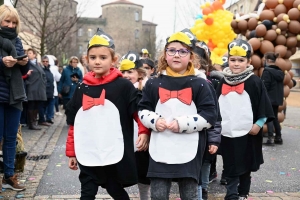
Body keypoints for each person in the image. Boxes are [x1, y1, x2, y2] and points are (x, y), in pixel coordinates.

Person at [65, 28, 149, 200]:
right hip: (88, 151)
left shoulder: (123, 86)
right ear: (86, 59)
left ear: (113, 60)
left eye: (103, 57)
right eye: (93, 57)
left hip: (113, 151)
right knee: (87, 193)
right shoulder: (82, 88)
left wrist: (143, 131)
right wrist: (72, 151)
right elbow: (75, 124)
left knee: (115, 190)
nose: (97, 61)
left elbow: (137, 111)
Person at [138, 31, 217, 200]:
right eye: (171, 50)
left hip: (189, 148)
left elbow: (210, 115)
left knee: (189, 194)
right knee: (158, 194)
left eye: (182, 51)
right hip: (160, 147)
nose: (176, 55)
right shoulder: (153, 83)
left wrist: (183, 124)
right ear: (165, 55)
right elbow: (143, 109)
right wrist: (153, 121)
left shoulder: (200, 84)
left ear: (191, 56)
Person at [215, 39, 274, 200]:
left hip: (248, 133)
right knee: (230, 164)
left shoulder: (254, 81)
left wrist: (259, 123)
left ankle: (243, 192)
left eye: (241, 60)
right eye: (232, 60)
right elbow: (216, 106)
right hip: (227, 132)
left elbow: (263, 104)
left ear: (248, 61)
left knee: (245, 164)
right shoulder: (222, 81)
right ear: (228, 60)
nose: (236, 64)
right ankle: (232, 193)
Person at [0, 4, 28, 191]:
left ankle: (9, 176)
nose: (10, 25)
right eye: (6, 21)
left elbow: (23, 68)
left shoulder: (17, 41)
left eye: (13, 22)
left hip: (14, 95)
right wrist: (1, 62)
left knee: (11, 139)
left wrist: (23, 61)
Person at [119, 51, 151, 200]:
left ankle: (144, 197)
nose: (125, 75)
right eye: (123, 71)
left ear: (139, 74)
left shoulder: (145, 91)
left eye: (130, 72)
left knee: (143, 172)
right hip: (124, 136)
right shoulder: (118, 90)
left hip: (140, 138)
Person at [261, 52, 284, 145]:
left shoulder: (267, 71)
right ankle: (278, 137)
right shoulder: (280, 72)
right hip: (277, 99)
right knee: (275, 118)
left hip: (269, 98)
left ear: (269, 60)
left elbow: (265, 86)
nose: (263, 61)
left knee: (269, 117)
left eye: (264, 59)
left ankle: (270, 138)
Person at [25, 48, 47, 130]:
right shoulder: (26, 64)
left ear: (34, 55)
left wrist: (44, 83)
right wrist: (28, 83)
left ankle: (34, 122)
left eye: (30, 53)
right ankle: (31, 124)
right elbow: (24, 75)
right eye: (27, 53)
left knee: (37, 105)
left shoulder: (39, 64)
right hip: (31, 87)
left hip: (39, 88)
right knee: (31, 105)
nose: (28, 54)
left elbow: (43, 75)